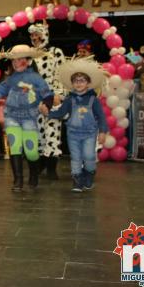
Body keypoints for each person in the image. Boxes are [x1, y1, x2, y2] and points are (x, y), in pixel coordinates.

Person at [0, 44, 53, 192]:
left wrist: (46, 105)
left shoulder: (36, 78)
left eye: (19, 59)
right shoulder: (10, 79)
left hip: (29, 117)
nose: (15, 63)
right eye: (14, 60)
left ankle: (34, 175)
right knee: (15, 146)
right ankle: (18, 181)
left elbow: (48, 95)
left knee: (31, 150)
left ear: (28, 61)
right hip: (12, 117)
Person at [40, 57, 108, 192]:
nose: (78, 83)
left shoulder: (93, 100)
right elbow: (60, 113)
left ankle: (89, 175)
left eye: (82, 80)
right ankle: (77, 181)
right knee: (76, 158)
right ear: (72, 84)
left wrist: (102, 132)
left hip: (89, 133)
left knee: (89, 156)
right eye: (75, 81)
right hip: (73, 133)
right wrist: (47, 113)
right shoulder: (69, 99)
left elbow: (101, 117)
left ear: (88, 83)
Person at [29, 21, 66, 179]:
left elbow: (62, 74)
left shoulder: (56, 52)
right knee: (38, 134)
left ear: (44, 35)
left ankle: (51, 168)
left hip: (51, 97)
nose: (34, 38)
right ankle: (40, 165)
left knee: (52, 132)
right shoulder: (29, 55)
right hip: (34, 99)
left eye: (37, 34)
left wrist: (58, 94)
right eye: (32, 35)